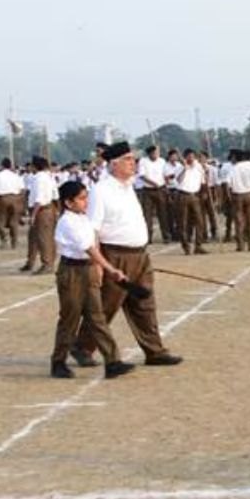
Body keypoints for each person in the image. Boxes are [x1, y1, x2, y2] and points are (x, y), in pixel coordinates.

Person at [72, 141, 182, 368]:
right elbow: (93, 228)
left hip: (139, 255)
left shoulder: (129, 186)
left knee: (144, 304)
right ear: (114, 164)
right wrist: (99, 264)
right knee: (106, 305)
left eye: (133, 159)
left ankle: (154, 351)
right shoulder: (101, 190)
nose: (134, 163)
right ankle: (82, 346)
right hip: (115, 255)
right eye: (128, 159)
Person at [49, 180, 135, 380]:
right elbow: (88, 248)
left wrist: (100, 268)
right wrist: (111, 269)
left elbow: (94, 244)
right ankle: (58, 362)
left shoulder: (83, 219)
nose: (85, 202)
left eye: (86, 197)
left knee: (97, 317)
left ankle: (113, 361)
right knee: (70, 318)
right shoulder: (68, 221)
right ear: (68, 203)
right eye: (81, 198)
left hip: (87, 270)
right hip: (72, 272)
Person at [21, 156, 57, 274]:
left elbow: (39, 199)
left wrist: (33, 215)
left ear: (35, 166)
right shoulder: (47, 177)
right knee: (34, 237)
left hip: (42, 210)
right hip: (46, 209)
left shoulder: (40, 179)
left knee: (44, 238)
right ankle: (30, 262)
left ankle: (47, 264)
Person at [227, 149, 250, 251]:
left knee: (239, 222)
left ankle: (240, 245)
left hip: (237, 195)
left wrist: (229, 196)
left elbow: (228, 184)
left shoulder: (233, 169)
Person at [174, 148, 209, 255]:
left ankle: (198, 245)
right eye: (189, 156)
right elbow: (178, 180)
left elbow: (203, 181)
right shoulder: (180, 168)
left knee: (200, 221)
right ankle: (186, 246)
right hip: (183, 195)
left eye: (193, 156)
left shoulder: (199, 167)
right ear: (185, 157)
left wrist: (205, 192)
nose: (191, 158)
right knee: (183, 222)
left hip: (195, 196)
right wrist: (185, 169)